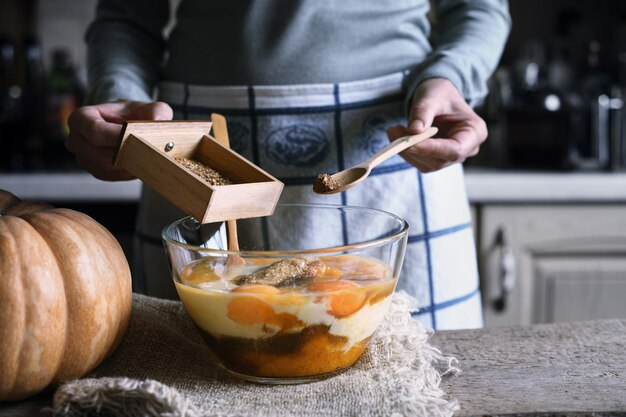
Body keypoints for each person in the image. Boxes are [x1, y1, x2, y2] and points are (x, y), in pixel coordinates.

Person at [67, 0, 511, 330]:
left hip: (392, 147)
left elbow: (479, 7)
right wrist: (119, 97)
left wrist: (451, 76)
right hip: (194, 150)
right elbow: (125, 16)